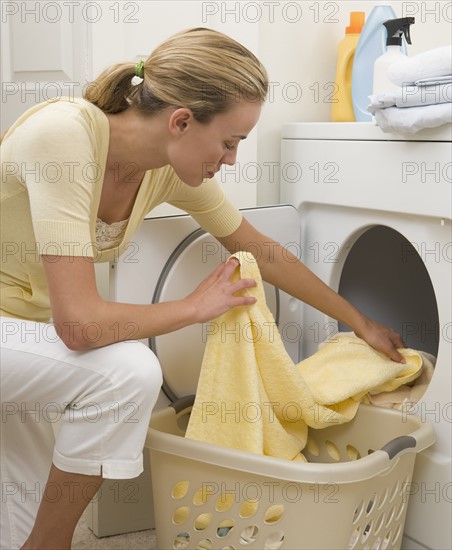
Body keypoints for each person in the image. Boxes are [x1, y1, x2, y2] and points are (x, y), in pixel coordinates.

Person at [0, 27, 405, 550]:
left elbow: (260, 248)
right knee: (127, 373)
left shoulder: (163, 168)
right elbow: (79, 325)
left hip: (22, 335)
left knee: (21, 515)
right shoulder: (65, 137)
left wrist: (359, 321)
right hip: (19, 332)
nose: (233, 159)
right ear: (181, 121)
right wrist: (194, 307)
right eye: (230, 141)